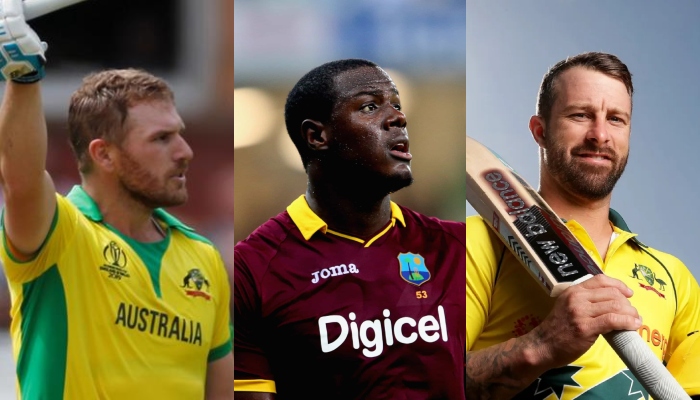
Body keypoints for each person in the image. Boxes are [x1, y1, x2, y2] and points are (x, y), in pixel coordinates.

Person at [0, 3, 233, 399]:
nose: (185, 151)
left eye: (180, 133)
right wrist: (23, 75)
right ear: (104, 154)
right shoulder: (60, 232)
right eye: (161, 138)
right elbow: (20, 179)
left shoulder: (204, 256)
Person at [466, 51, 700, 399]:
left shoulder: (674, 276)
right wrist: (542, 345)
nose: (600, 135)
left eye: (616, 119)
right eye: (580, 115)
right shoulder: (475, 242)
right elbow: (409, 382)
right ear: (540, 130)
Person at [234, 59, 466, 399]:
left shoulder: (455, 246)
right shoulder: (251, 270)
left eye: (397, 105)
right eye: (370, 106)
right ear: (316, 136)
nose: (398, 118)